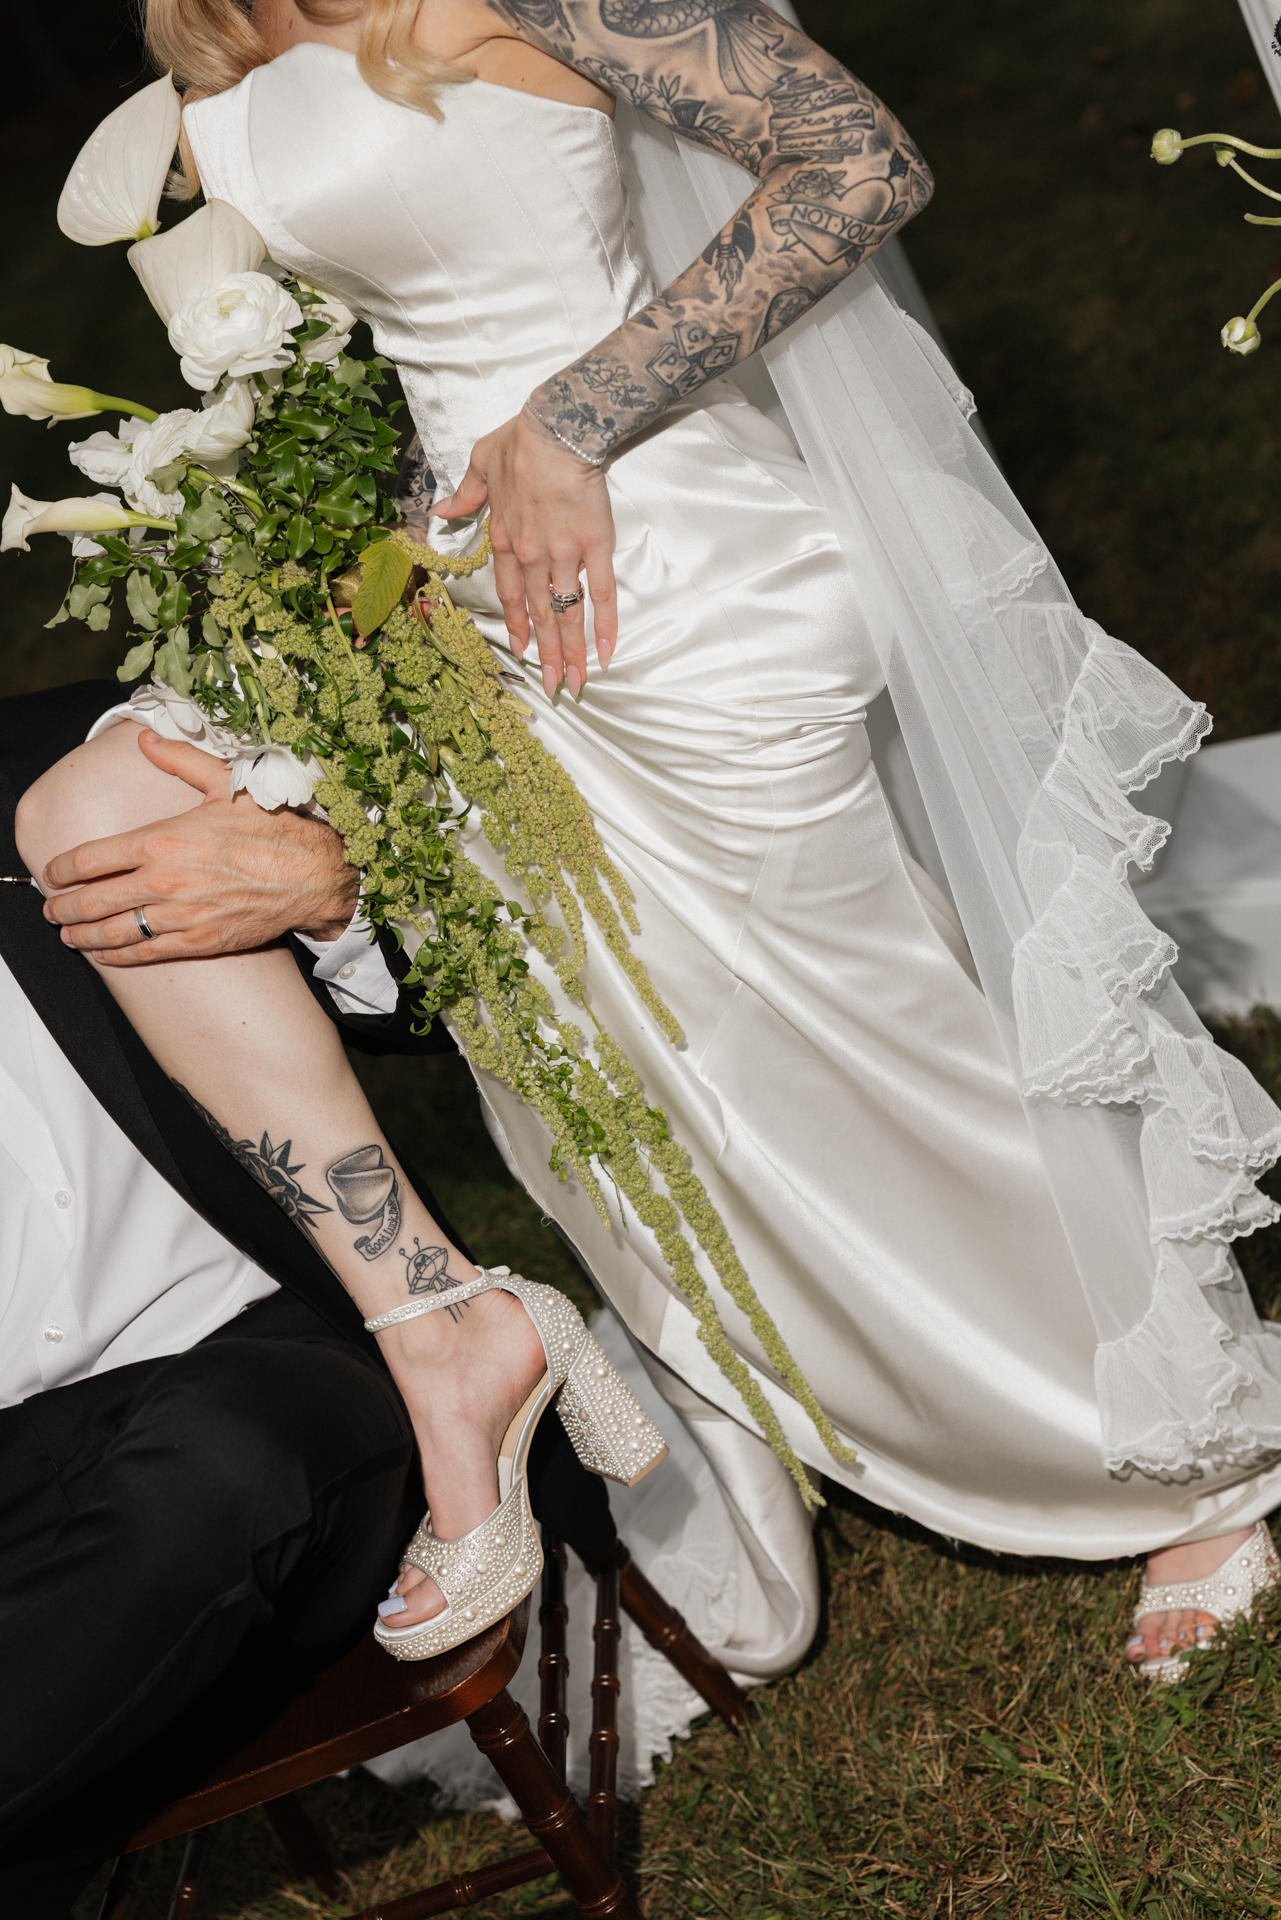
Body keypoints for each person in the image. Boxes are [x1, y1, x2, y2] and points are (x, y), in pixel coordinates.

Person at [18, 0, 1281, 1689]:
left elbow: (852, 158)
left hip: (672, 574)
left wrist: (571, 419)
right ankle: (552, 1348)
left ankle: (1190, 1456)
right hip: (460, 616)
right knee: (615, 1076)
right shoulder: (215, 61)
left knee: (864, 1043)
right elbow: (358, 362)